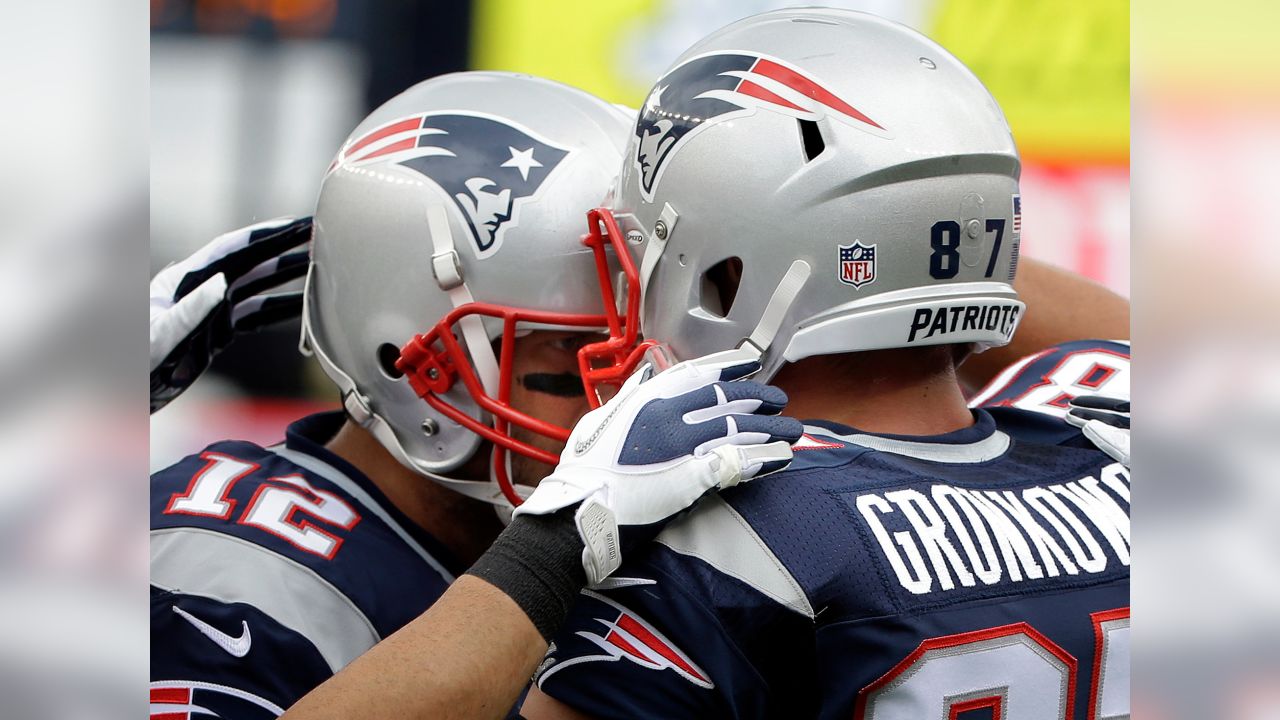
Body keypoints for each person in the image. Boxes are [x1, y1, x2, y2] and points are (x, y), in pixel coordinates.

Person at [276, 10, 1131, 720]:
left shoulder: (723, 541)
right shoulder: (1115, 452)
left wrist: (551, 547)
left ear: (725, 272)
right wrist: (919, 237)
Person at [148, 70, 800, 718]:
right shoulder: (237, 576)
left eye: (637, 352)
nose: (626, 404)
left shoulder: (528, 555)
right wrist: (557, 544)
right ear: (408, 362)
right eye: (575, 363)